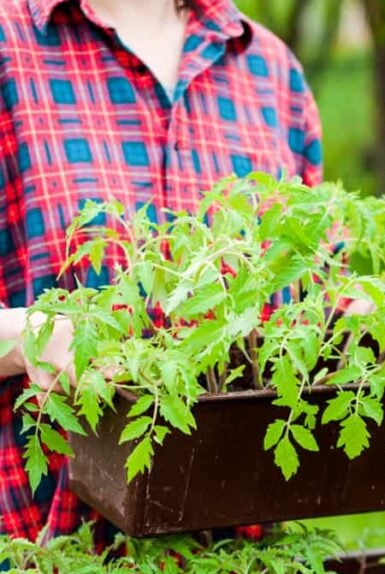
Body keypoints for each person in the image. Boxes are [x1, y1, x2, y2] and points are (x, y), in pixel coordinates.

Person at [0, 0, 323, 542]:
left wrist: (369, 323)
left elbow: (316, 298)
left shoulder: (271, 73)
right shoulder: (13, 48)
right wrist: (27, 339)